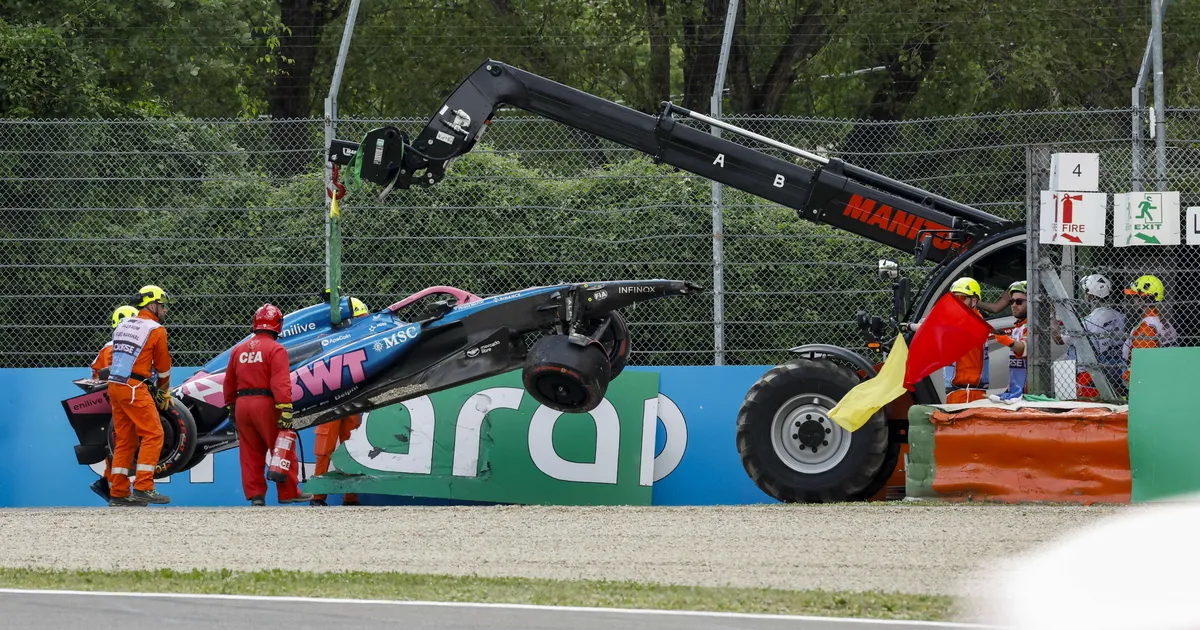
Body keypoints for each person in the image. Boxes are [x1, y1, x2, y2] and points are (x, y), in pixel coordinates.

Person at [223, 303, 313, 506]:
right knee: (282, 447)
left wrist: (231, 407)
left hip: (242, 405)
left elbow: (228, 382)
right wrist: (286, 409)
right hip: (266, 404)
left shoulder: (238, 350)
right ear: (278, 325)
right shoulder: (276, 349)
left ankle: (256, 496)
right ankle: (288, 492)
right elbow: (280, 383)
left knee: (249, 453)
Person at [107, 285, 173, 507]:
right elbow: (163, 367)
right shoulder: (156, 330)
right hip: (134, 387)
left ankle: (118, 491)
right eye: (162, 306)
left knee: (125, 439)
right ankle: (144, 487)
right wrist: (164, 391)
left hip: (115, 385)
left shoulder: (123, 326)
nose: (164, 311)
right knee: (154, 433)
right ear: (152, 305)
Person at [311, 296, 370, 507]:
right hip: (331, 399)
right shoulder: (327, 338)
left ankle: (350, 497)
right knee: (325, 446)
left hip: (351, 398)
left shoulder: (361, 338)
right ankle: (318, 496)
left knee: (351, 446)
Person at [88, 305, 141, 503]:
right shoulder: (117, 348)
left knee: (117, 446)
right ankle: (114, 488)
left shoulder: (107, 347)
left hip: (109, 401)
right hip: (121, 401)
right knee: (122, 444)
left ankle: (111, 486)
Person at [1051, 274, 1127, 399]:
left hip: (1088, 375)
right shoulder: (1120, 316)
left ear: (1091, 295)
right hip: (1114, 371)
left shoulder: (1087, 321)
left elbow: (1058, 339)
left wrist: (1052, 315)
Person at [1121, 274, 1178, 385]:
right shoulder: (1164, 322)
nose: (1133, 301)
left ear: (1141, 299)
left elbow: (1141, 364)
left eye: (1134, 297)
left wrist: (1126, 382)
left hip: (1147, 384)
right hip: (1166, 378)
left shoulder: (1145, 327)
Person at [992, 281, 1029, 402]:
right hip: (1017, 389)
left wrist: (1004, 339)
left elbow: (1022, 348)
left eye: (1019, 302)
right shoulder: (1018, 327)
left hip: (1030, 389)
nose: (1014, 305)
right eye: (1012, 302)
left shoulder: (1032, 325)